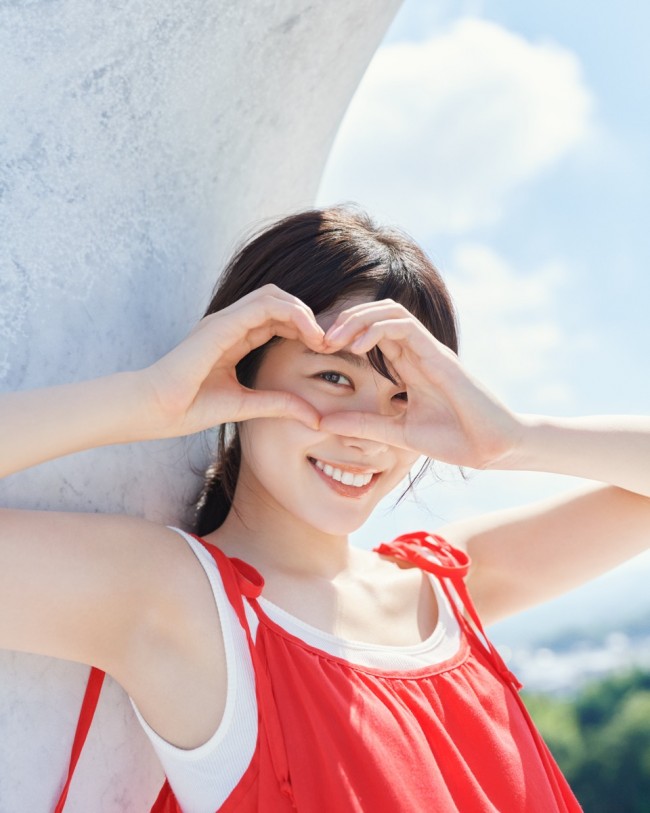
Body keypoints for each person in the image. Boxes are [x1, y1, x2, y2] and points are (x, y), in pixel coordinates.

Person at [1, 205, 649, 813]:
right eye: (333, 378)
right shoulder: (179, 604)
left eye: (400, 398)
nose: (365, 432)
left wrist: (513, 440)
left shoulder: (448, 585)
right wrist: (150, 399)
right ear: (241, 372)